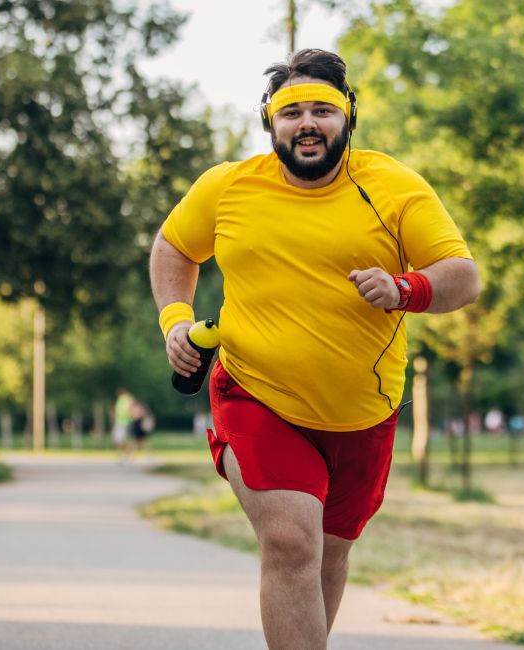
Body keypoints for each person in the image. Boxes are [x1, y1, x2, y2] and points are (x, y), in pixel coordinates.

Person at [148, 49, 480, 650]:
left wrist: (407, 288)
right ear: (269, 123)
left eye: (322, 110)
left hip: (362, 412)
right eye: (290, 111)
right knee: (291, 541)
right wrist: (174, 320)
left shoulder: (393, 186)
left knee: (327, 554)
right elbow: (174, 248)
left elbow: (463, 274)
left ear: (348, 116)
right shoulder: (228, 187)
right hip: (255, 393)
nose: (307, 123)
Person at [112, 387, 135, 458]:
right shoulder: (121, 399)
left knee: (121, 439)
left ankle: (126, 454)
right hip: (120, 421)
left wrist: (131, 416)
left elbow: (130, 409)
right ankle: (125, 454)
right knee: (119, 440)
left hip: (124, 422)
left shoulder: (127, 399)